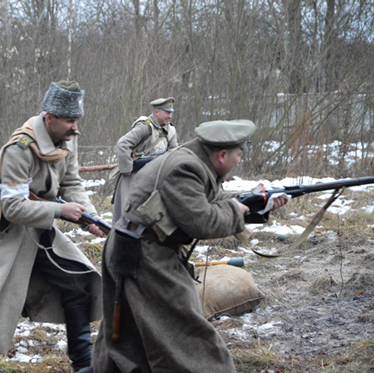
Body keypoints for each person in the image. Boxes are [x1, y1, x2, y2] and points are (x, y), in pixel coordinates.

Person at [91, 120, 288, 372]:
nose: (240, 160)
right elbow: (202, 221)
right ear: (222, 155)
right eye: (239, 154)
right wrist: (236, 210)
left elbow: (207, 203)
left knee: (126, 335)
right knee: (188, 335)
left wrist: (257, 204)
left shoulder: (194, 161)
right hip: (145, 254)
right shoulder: (185, 168)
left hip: (138, 247)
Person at [0, 81, 104, 373]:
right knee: (0, 308)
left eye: (76, 120)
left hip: (41, 233)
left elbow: (71, 182)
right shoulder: (20, 148)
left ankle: (85, 365)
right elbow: (12, 207)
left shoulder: (66, 141)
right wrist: (61, 210)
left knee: (80, 283)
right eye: (69, 121)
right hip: (9, 236)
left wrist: (91, 217)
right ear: (49, 117)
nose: (75, 128)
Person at [112, 97, 178, 223]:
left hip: (155, 177)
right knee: (126, 216)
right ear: (156, 112)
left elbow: (173, 153)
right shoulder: (145, 127)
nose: (170, 116)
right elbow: (123, 145)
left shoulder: (171, 131)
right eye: (167, 112)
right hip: (134, 176)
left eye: (171, 112)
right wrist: (127, 170)